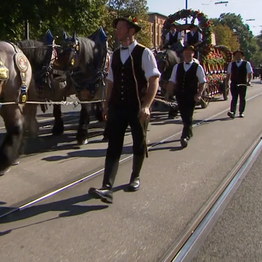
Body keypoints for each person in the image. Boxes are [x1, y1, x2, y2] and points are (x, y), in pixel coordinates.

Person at [88, 17, 161, 204]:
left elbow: (154, 80)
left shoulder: (144, 53)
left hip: (137, 107)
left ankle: (135, 177)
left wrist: (146, 105)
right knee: (113, 145)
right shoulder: (116, 55)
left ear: (131, 31)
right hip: (117, 106)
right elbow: (110, 81)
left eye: (120, 28)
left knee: (139, 142)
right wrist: (106, 104)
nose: (117, 32)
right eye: (117, 28)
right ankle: (107, 187)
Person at [165, 45, 207, 148]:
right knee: (184, 115)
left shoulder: (198, 67)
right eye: (186, 52)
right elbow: (172, 81)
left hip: (191, 95)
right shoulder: (177, 67)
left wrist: (199, 94)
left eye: (190, 52)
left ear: (193, 54)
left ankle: (185, 136)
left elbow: (202, 82)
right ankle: (189, 132)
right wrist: (167, 93)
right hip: (180, 95)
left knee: (188, 115)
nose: (188, 54)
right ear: (183, 54)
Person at [226, 50, 253, 119]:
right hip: (234, 83)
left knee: (242, 98)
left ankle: (241, 112)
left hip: (242, 83)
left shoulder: (246, 63)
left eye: (239, 55)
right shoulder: (231, 64)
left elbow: (250, 73)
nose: (238, 56)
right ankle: (232, 111)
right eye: (236, 55)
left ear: (242, 56)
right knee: (234, 98)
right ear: (234, 56)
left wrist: (249, 81)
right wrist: (227, 82)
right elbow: (228, 74)